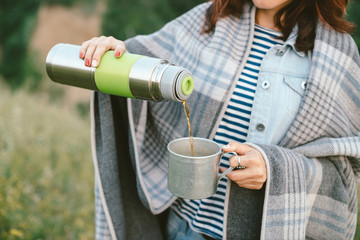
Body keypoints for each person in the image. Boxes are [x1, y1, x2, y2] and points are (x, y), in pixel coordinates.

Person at [80, 0, 360, 239]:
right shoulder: (210, 19)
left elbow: (345, 166)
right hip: (184, 229)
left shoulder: (337, 54)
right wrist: (112, 54)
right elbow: (143, 65)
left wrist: (274, 167)